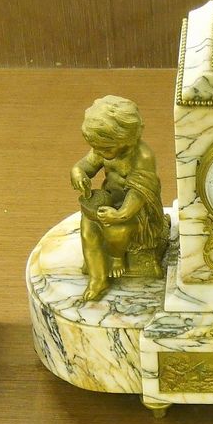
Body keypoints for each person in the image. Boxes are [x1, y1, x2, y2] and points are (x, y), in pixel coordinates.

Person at [69, 95, 167, 301]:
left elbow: (140, 191)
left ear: (126, 139)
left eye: (106, 149)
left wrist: (121, 214)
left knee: (117, 230)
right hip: (109, 202)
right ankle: (97, 278)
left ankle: (116, 258)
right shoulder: (102, 149)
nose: (100, 152)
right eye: (97, 148)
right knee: (88, 229)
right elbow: (86, 165)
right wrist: (78, 173)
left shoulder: (142, 156)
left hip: (136, 211)